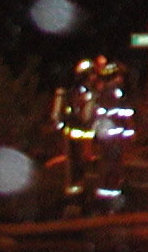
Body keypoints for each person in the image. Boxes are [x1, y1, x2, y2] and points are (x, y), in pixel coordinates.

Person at [52, 57, 101, 206]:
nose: (94, 77)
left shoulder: (75, 91)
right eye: (92, 74)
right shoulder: (86, 93)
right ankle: (78, 200)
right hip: (81, 138)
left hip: (78, 137)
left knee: (77, 170)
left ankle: (77, 198)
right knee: (80, 169)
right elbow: (87, 116)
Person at [91, 60, 136, 211]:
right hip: (114, 139)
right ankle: (111, 201)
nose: (121, 79)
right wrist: (129, 133)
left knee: (106, 166)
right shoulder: (115, 93)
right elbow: (123, 115)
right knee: (113, 167)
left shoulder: (103, 92)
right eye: (119, 76)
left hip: (107, 138)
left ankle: (104, 198)